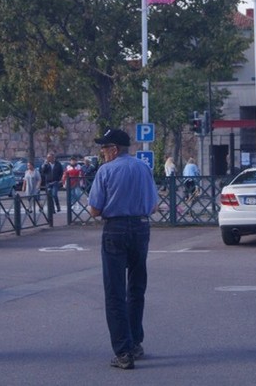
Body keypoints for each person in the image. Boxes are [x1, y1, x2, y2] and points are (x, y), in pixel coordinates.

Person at [87, 128, 159, 370]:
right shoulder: (143, 168)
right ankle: (136, 341)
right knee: (136, 288)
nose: (102, 152)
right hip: (141, 228)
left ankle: (123, 352)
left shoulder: (106, 171)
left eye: (105, 148)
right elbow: (153, 206)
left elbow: (95, 209)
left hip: (115, 229)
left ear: (114, 149)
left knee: (115, 291)